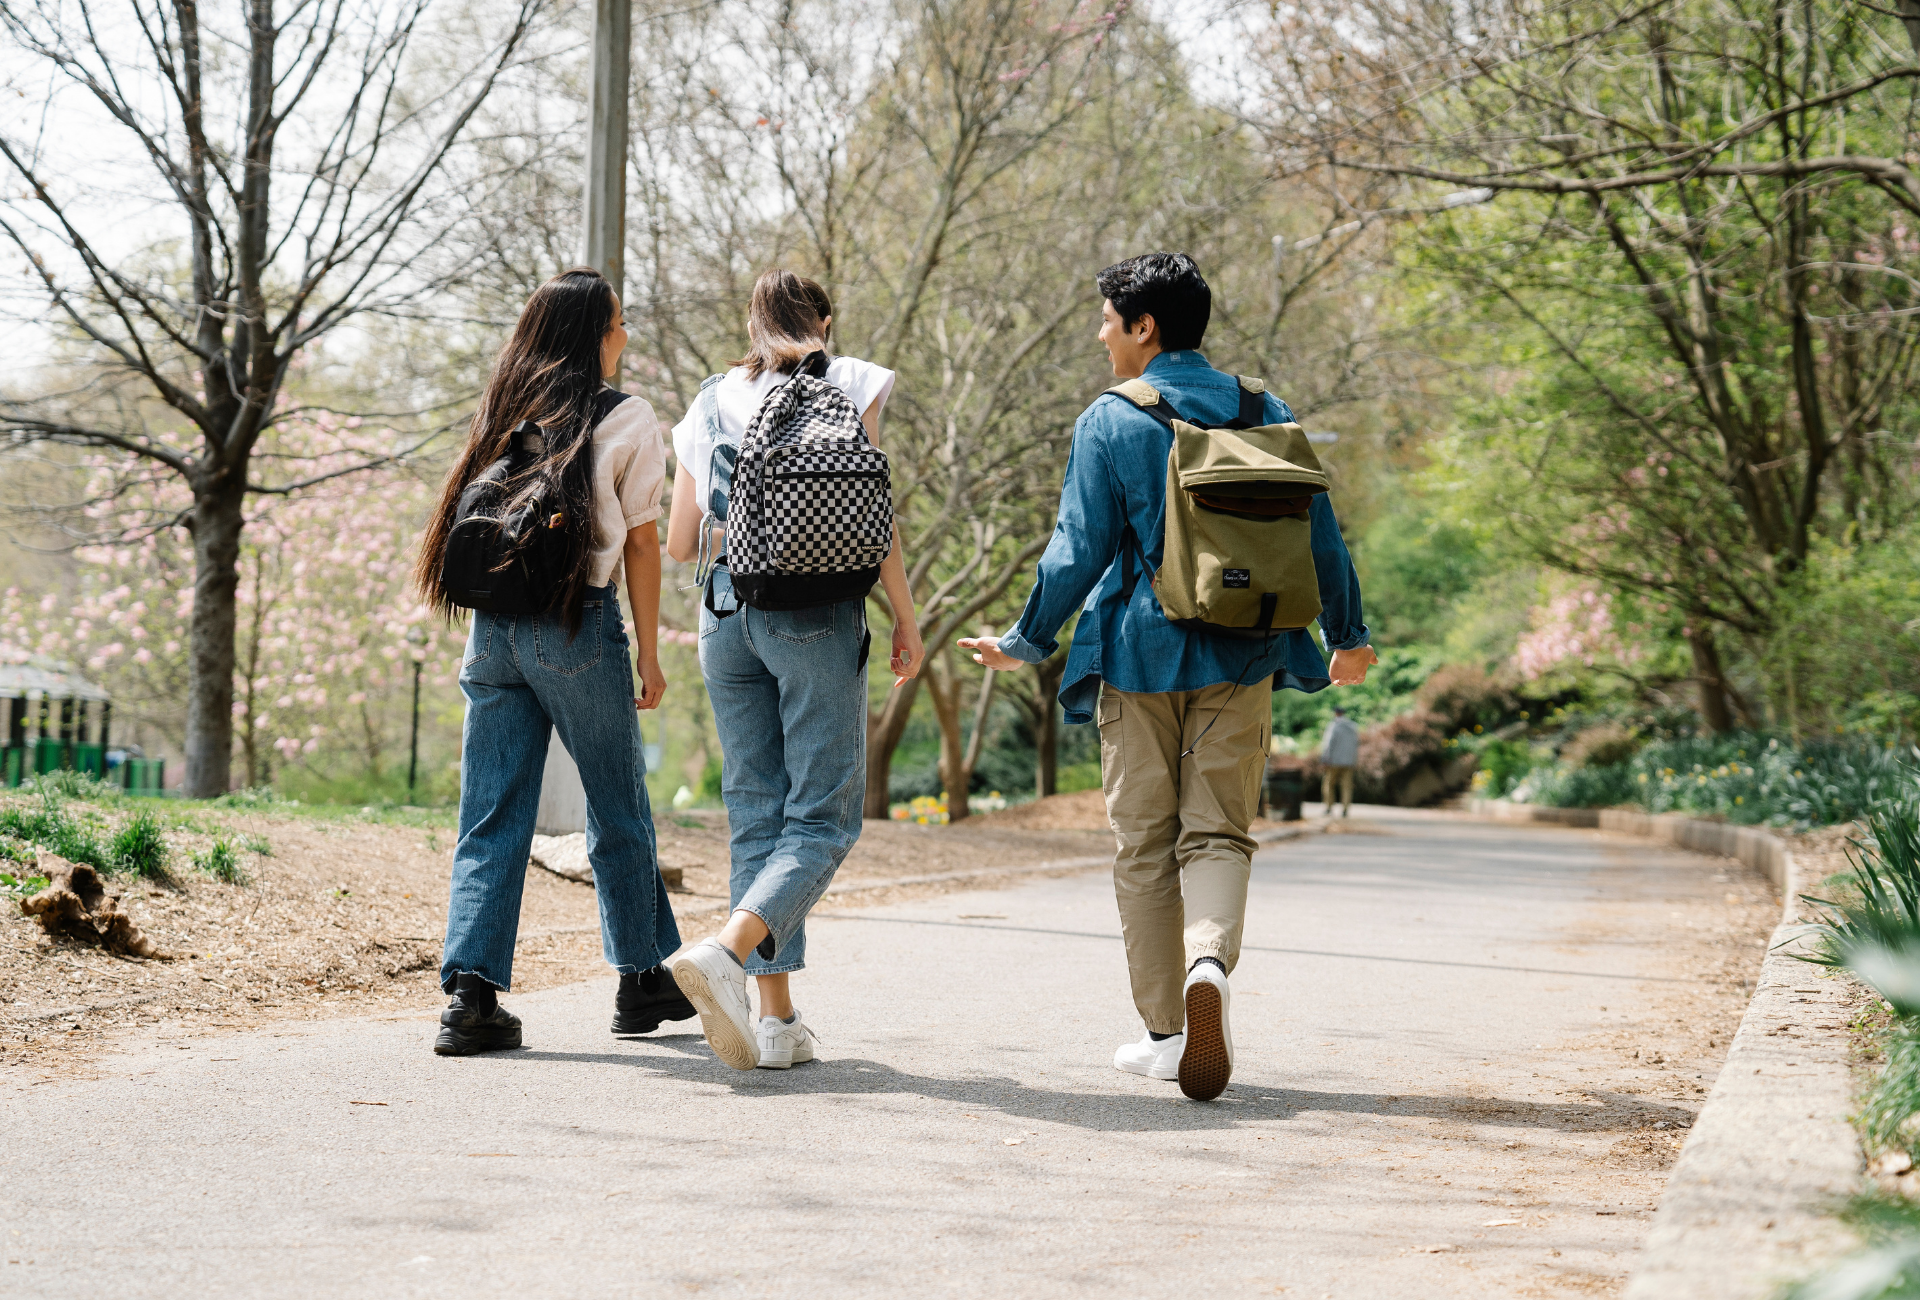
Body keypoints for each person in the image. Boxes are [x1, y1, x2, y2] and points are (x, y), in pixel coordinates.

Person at [960, 253, 1377, 1101]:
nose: (1100, 332)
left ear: (1144, 327)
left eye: (1107, 318)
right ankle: (1209, 963)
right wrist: (1348, 635)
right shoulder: (1267, 410)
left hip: (1140, 651)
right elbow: (1319, 537)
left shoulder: (1110, 421)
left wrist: (1025, 639)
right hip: (1247, 652)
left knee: (1145, 845)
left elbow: (1075, 551)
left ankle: (1165, 1032)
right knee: (1218, 833)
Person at [414, 267, 692, 1056]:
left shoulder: (505, 407)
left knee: (491, 815)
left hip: (492, 632)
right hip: (576, 626)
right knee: (616, 804)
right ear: (592, 336)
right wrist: (648, 651)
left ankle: (471, 998)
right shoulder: (627, 418)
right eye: (618, 324)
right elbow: (642, 541)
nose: (626, 336)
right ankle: (640, 980)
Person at [665, 268, 924, 1071]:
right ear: (826, 321)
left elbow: (679, 543)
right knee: (823, 819)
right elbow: (871, 519)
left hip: (722, 614)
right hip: (813, 616)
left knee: (758, 812)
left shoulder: (708, 400)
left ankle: (776, 1024)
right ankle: (730, 952)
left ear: (752, 327)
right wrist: (906, 621)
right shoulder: (851, 382)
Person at [1320, 707, 1360, 817]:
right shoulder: (1353, 726)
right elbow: (1356, 744)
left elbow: (1328, 744)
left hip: (1334, 761)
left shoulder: (1333, 726)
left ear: (1336, 713)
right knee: (1346, 787)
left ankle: (1328, 807)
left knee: (1328, 784)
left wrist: (1324, 759)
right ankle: (1345, 809)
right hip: (1348, 762)